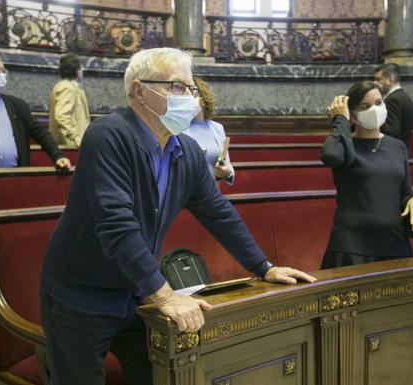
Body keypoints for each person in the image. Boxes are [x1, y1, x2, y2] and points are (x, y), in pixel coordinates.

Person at [39, 47, 316, 385]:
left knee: (161, 375)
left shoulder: (185, 152)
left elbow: (219, 214)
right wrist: (166, 295)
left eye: (191, 88)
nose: (190, 97)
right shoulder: (109, 135)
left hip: (136, 293)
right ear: (140, 91)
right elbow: (116, 226)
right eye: (177, 86)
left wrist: (264, 266)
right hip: (80, 296)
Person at [320, 80, 413, 269]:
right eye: (365, 106)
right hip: (352, 247)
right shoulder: (345, 146)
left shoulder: (398, 146)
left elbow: (404, 192)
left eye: (378, 103)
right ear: (353, 114)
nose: (375, 110)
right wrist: (340, 120)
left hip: (394, 244)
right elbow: (330, 155)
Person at [184, 77, 234, 184]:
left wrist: (227, 173)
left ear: (203, 101)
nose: (187, 99)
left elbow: (227, 164)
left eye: (192, 95)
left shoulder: (217, 128)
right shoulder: (178, 127)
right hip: (188, 196)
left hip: (214, 194)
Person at [49, 53, 90, 146]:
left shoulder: (70, 87)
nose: (82, 71)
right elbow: (61, 116)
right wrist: (76, 138)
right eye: (81, 68)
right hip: (71, 145)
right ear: (77, 71)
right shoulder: (67, 88)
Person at [374, 63, 413, 146]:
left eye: (379, 79)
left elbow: (391, 132)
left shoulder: (393, 100)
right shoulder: (403, 96)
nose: (375, 83)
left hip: (392, 151)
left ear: (390, 79)